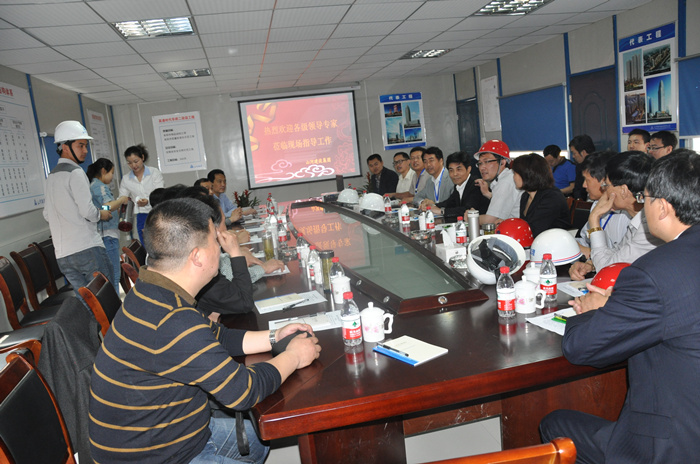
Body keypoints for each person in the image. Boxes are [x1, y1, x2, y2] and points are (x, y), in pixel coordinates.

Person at [89, 198, 321, 464]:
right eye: (215, 240)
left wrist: (275, 336)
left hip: (172, 434)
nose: (220, 248)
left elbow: (216, 335)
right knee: (257, 435)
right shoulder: (172, 320)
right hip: (154, 457)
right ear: (197, 256)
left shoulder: (151, 290)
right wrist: (294, 356)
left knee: (256, 442)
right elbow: (243, 391)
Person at [540, 151, 700, 464]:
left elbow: (580, 348)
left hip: (674, 445)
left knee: (554, 424)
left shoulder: (653, 272)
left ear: (662, 207)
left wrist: (593, 308)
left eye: (644, 198)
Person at [43, 121, 116, 293]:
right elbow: (88, 212)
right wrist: (102, 214)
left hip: (63, 255)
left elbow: (47, 214)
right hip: (87, 249)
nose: (85, 150)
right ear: (65, 147)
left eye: (86, 145)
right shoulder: (75, 173)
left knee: (86, 301)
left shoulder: (52, 176)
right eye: (80, 145)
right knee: (106, 298)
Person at [569, 152, 664, 280]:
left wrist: (594, 218)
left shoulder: (649, 228)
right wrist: (591, 264)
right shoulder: (639, 220)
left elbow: (606, 269)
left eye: (606, 185)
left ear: (623, 191)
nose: (604, 191)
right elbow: (617, 253)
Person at [574, 151, 630, 258]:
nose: (584, 185)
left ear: (604, 181)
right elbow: (585, 239)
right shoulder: (597, 204)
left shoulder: (626, 214)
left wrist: (590, 252)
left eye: (587, 180)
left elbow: (623, 256)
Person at [87, 158, 129, 293]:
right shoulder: (99, 186)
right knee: (114, 275)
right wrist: (120, 200)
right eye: (111, 173)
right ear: (103, 171)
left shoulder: (95, 185)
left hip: (106, 235)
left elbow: (103, 207)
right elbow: (106, 207)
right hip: (107, 235)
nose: (112, 177)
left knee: (111, 274)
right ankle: (115, 304)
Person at [510, 153, 571, 237]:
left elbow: (536, 231)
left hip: (554, 242)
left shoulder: (551, 197)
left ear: (527, 174)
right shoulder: (525, 196)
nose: (513, 177)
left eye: (515, 173)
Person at [419, 151, 489, 220]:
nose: (455, 174)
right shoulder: (458, 185)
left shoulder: (476, 184)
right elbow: (449, 203)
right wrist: (432, 205)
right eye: (451, 170)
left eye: (459, 169)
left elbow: (467, 209)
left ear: (468, 169)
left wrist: (441, 211)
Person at [118, 144, 164, 244]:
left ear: (142, 157)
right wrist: (120, 204)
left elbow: (160, 193)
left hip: (157, 212)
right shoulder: (126, 179)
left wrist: (148, 200)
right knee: (146, 244)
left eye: (136, 161)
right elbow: (122, 197)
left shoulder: (154, 172)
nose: (133, 165)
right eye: (129, 163)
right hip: (141, 215)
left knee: (160, 242)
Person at [473, 140, 520, 225]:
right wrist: (488, 194)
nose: (482, 167)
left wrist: (470, 217)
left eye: (487, 162)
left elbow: (490, 220)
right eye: (480, 163)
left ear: (502, 162)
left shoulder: (505, 182)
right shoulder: (506, 178)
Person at [569, 134, 596, 200]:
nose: (573, 156)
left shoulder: (597, 167)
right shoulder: (579, 166)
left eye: (574, 153)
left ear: (583, 152)